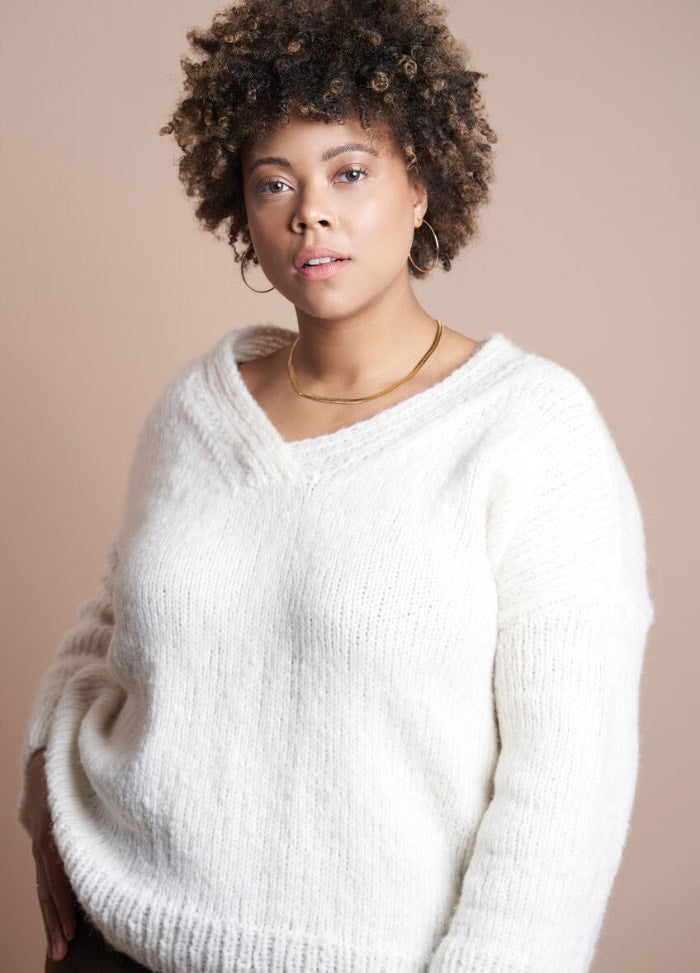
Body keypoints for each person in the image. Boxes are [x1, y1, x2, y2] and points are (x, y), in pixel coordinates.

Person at [18, 1, 655, 971]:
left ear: (420, 184)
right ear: (242, 209)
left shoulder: (529, 430)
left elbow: (567, 788)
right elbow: (117, 611)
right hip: (115, 939)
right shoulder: (198, 410)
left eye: (349, 172)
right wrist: (38, 768)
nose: (309, 209)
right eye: (273, 182)